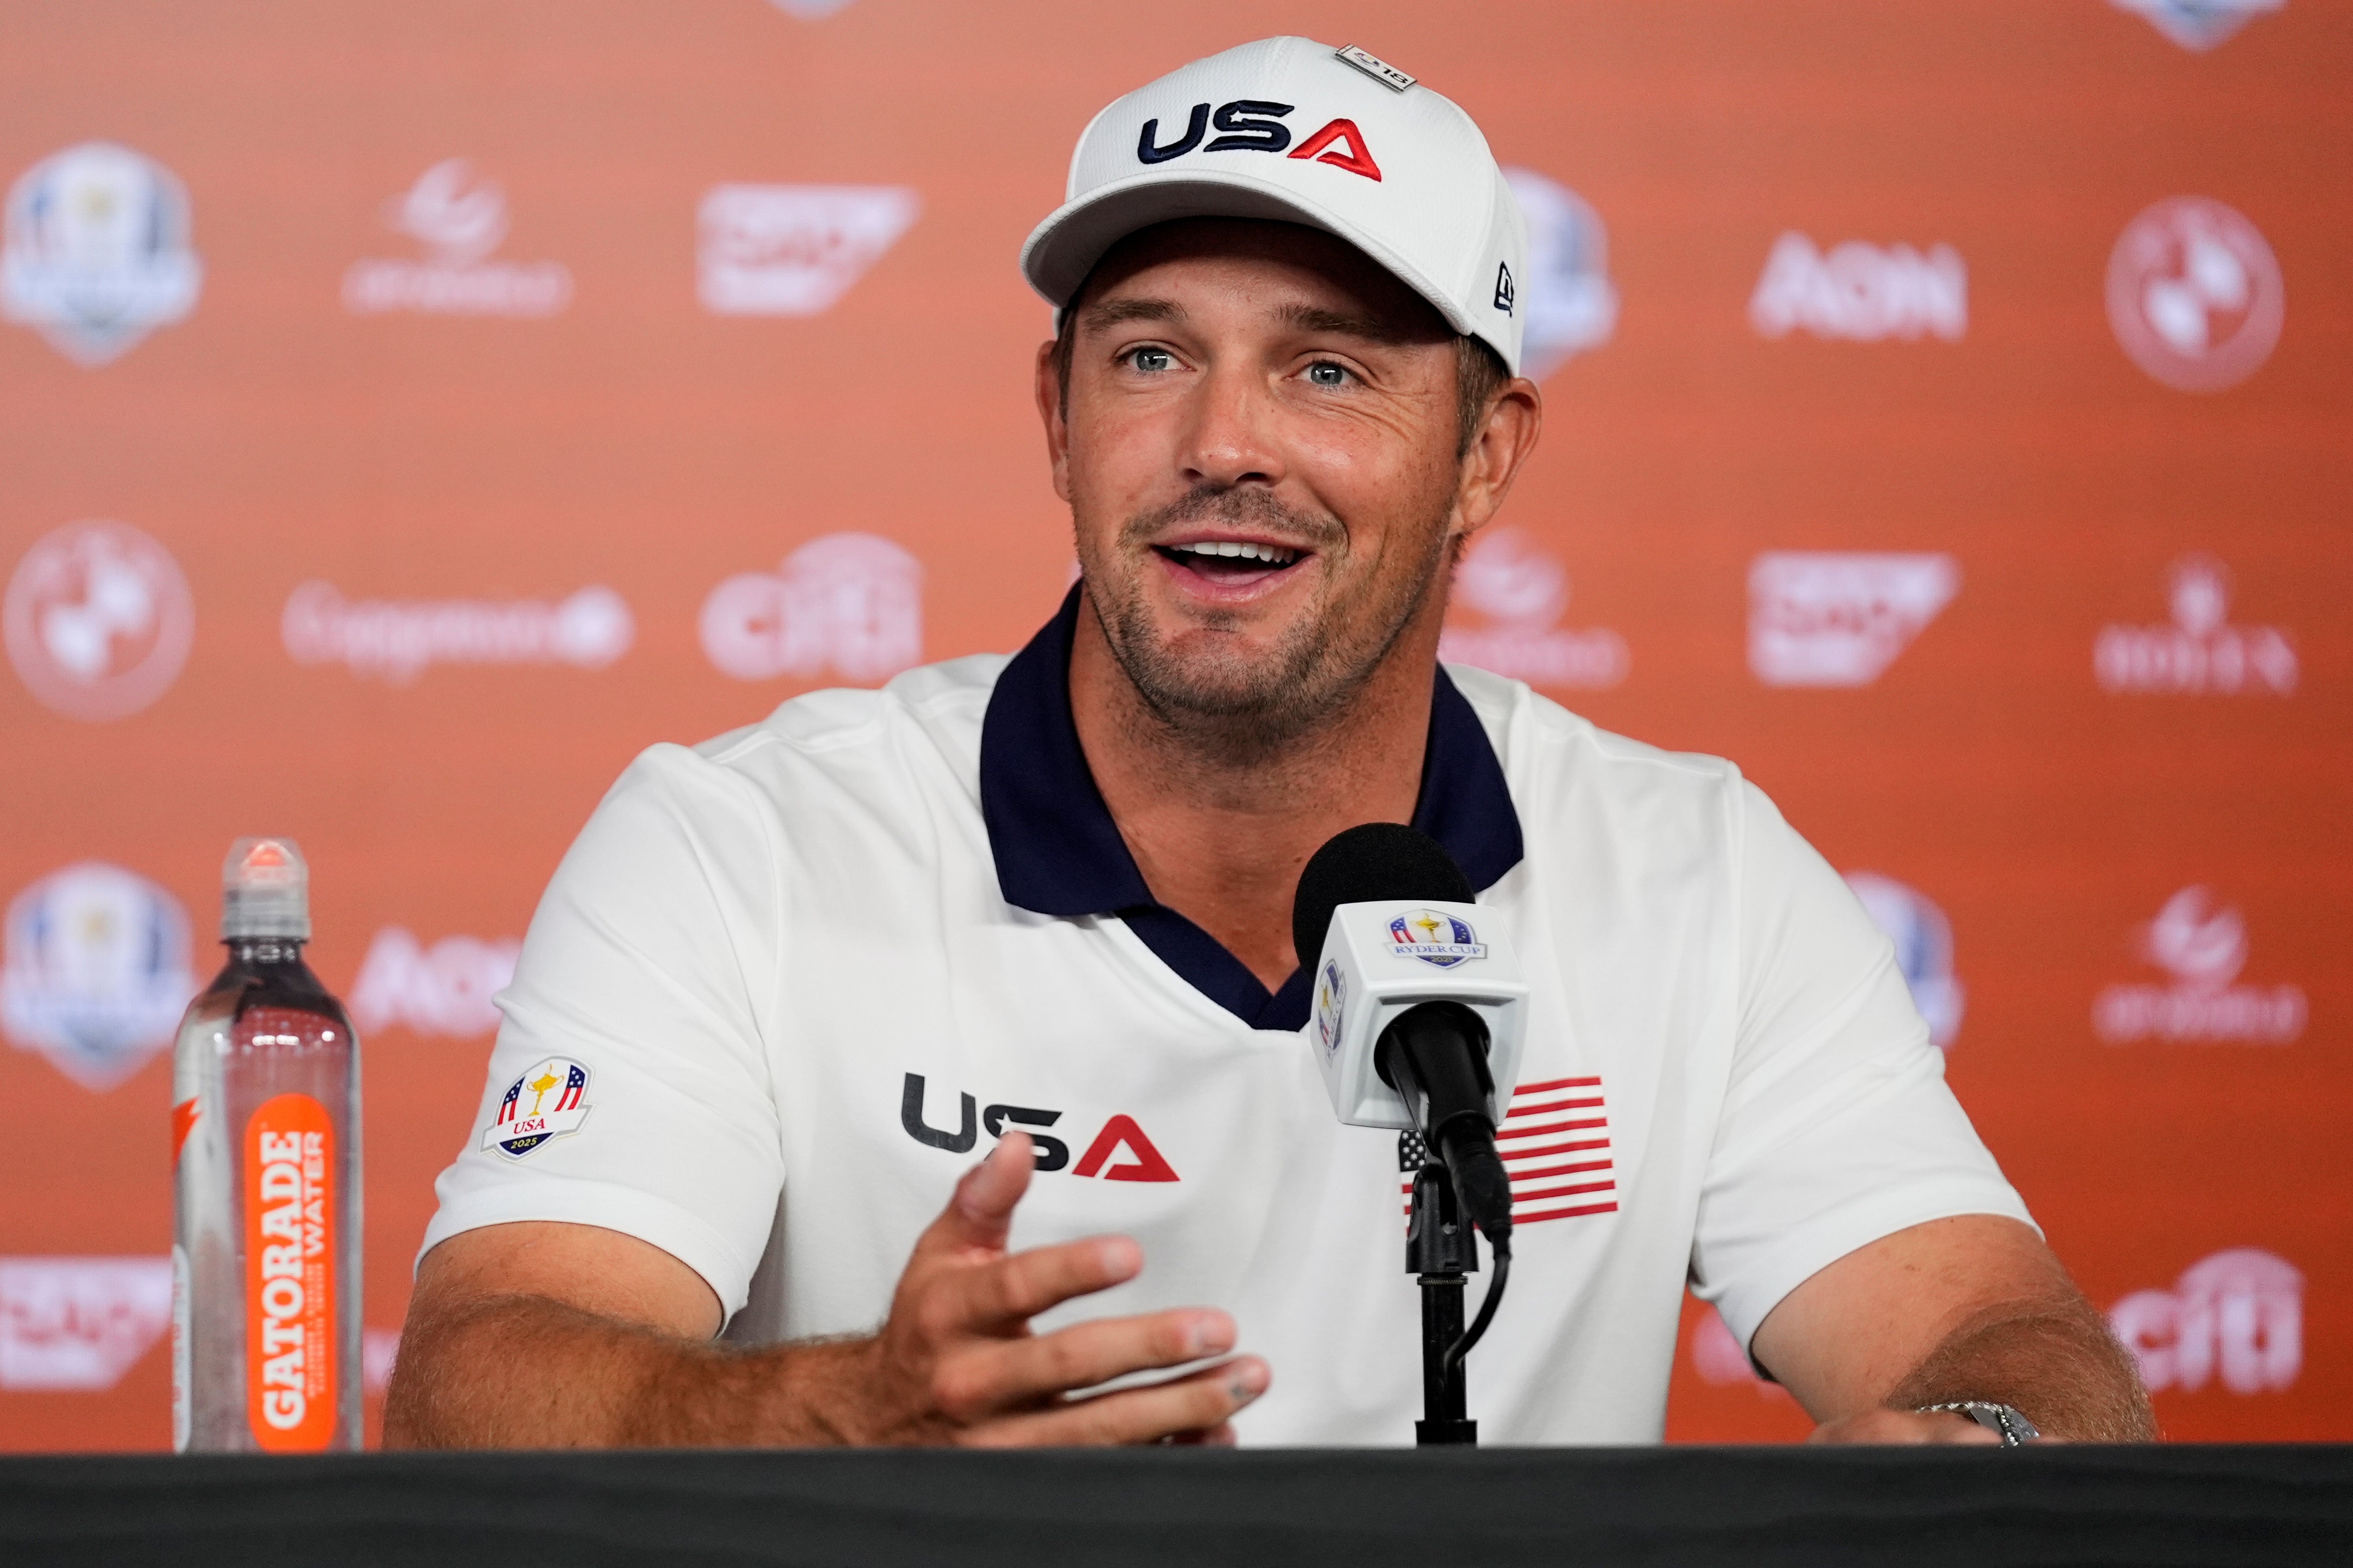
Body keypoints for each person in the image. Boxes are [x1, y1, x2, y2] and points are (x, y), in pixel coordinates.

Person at [385, 36, 2151, 1449]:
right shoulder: (738, 844)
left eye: (1327, 369)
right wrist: (836, 1413)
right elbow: (475, 1383)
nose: (1222, 442)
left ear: (1482, 455)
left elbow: (2003, 1336)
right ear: (1056, 418)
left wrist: (1979, 1448)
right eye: (1150, 358)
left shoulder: (1699, 876)